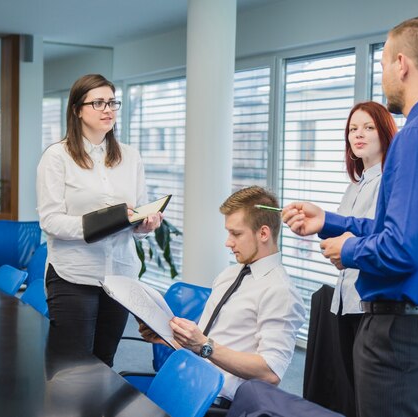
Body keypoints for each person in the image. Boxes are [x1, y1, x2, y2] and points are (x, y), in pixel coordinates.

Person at [283, 16, 418, 417]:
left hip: (400, 340)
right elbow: (404, 230)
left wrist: (350, 250)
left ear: (402, 64)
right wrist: (331, 221)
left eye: (384, 64)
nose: (384, 75)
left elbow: (403, 247)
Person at [140, 186, 305, 412]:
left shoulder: (280, 292)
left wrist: (204, 345)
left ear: (263, 233)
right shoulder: (230, 274)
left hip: (216, 403)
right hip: (185, 383)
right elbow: (207, 343)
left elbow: (270, 372)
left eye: (236, 234)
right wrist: (165, 337)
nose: (228, 242)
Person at [36, 74, 163, 367]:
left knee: (104, 363)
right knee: (70, 367)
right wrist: (105, 222)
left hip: (120, 275)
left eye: (112, 102)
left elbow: (137, 214)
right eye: (98, 103)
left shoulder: (130, 157)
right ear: (77, 109)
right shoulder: (57, 157)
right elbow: (51, 221)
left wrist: (144, 225)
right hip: (73, 275)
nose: (108, 109)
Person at [326, 101, 396, 416]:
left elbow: (374, 239)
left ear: (384, 132)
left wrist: (346, 245)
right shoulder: (354, 186)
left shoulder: (389, 182)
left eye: (368, 127)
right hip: (344, 299)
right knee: (349, 389)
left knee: (368, 395)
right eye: (353, 129)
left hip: (368, 303)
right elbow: (342, 235)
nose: (359, 135)